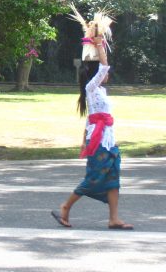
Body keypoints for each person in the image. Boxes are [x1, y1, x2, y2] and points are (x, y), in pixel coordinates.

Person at [51, 34, 133, 230]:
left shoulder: (101, 91)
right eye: (103, 72)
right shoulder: (91, 87)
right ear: (97, 73)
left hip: (107, 139)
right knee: (93, 178)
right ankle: (65, 206)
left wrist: (84, 140)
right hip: (98, 141)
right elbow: (104, 67)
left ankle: (114, 218)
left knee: (113, 179)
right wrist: (99, 46)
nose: (107, 73)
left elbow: (91, 118)